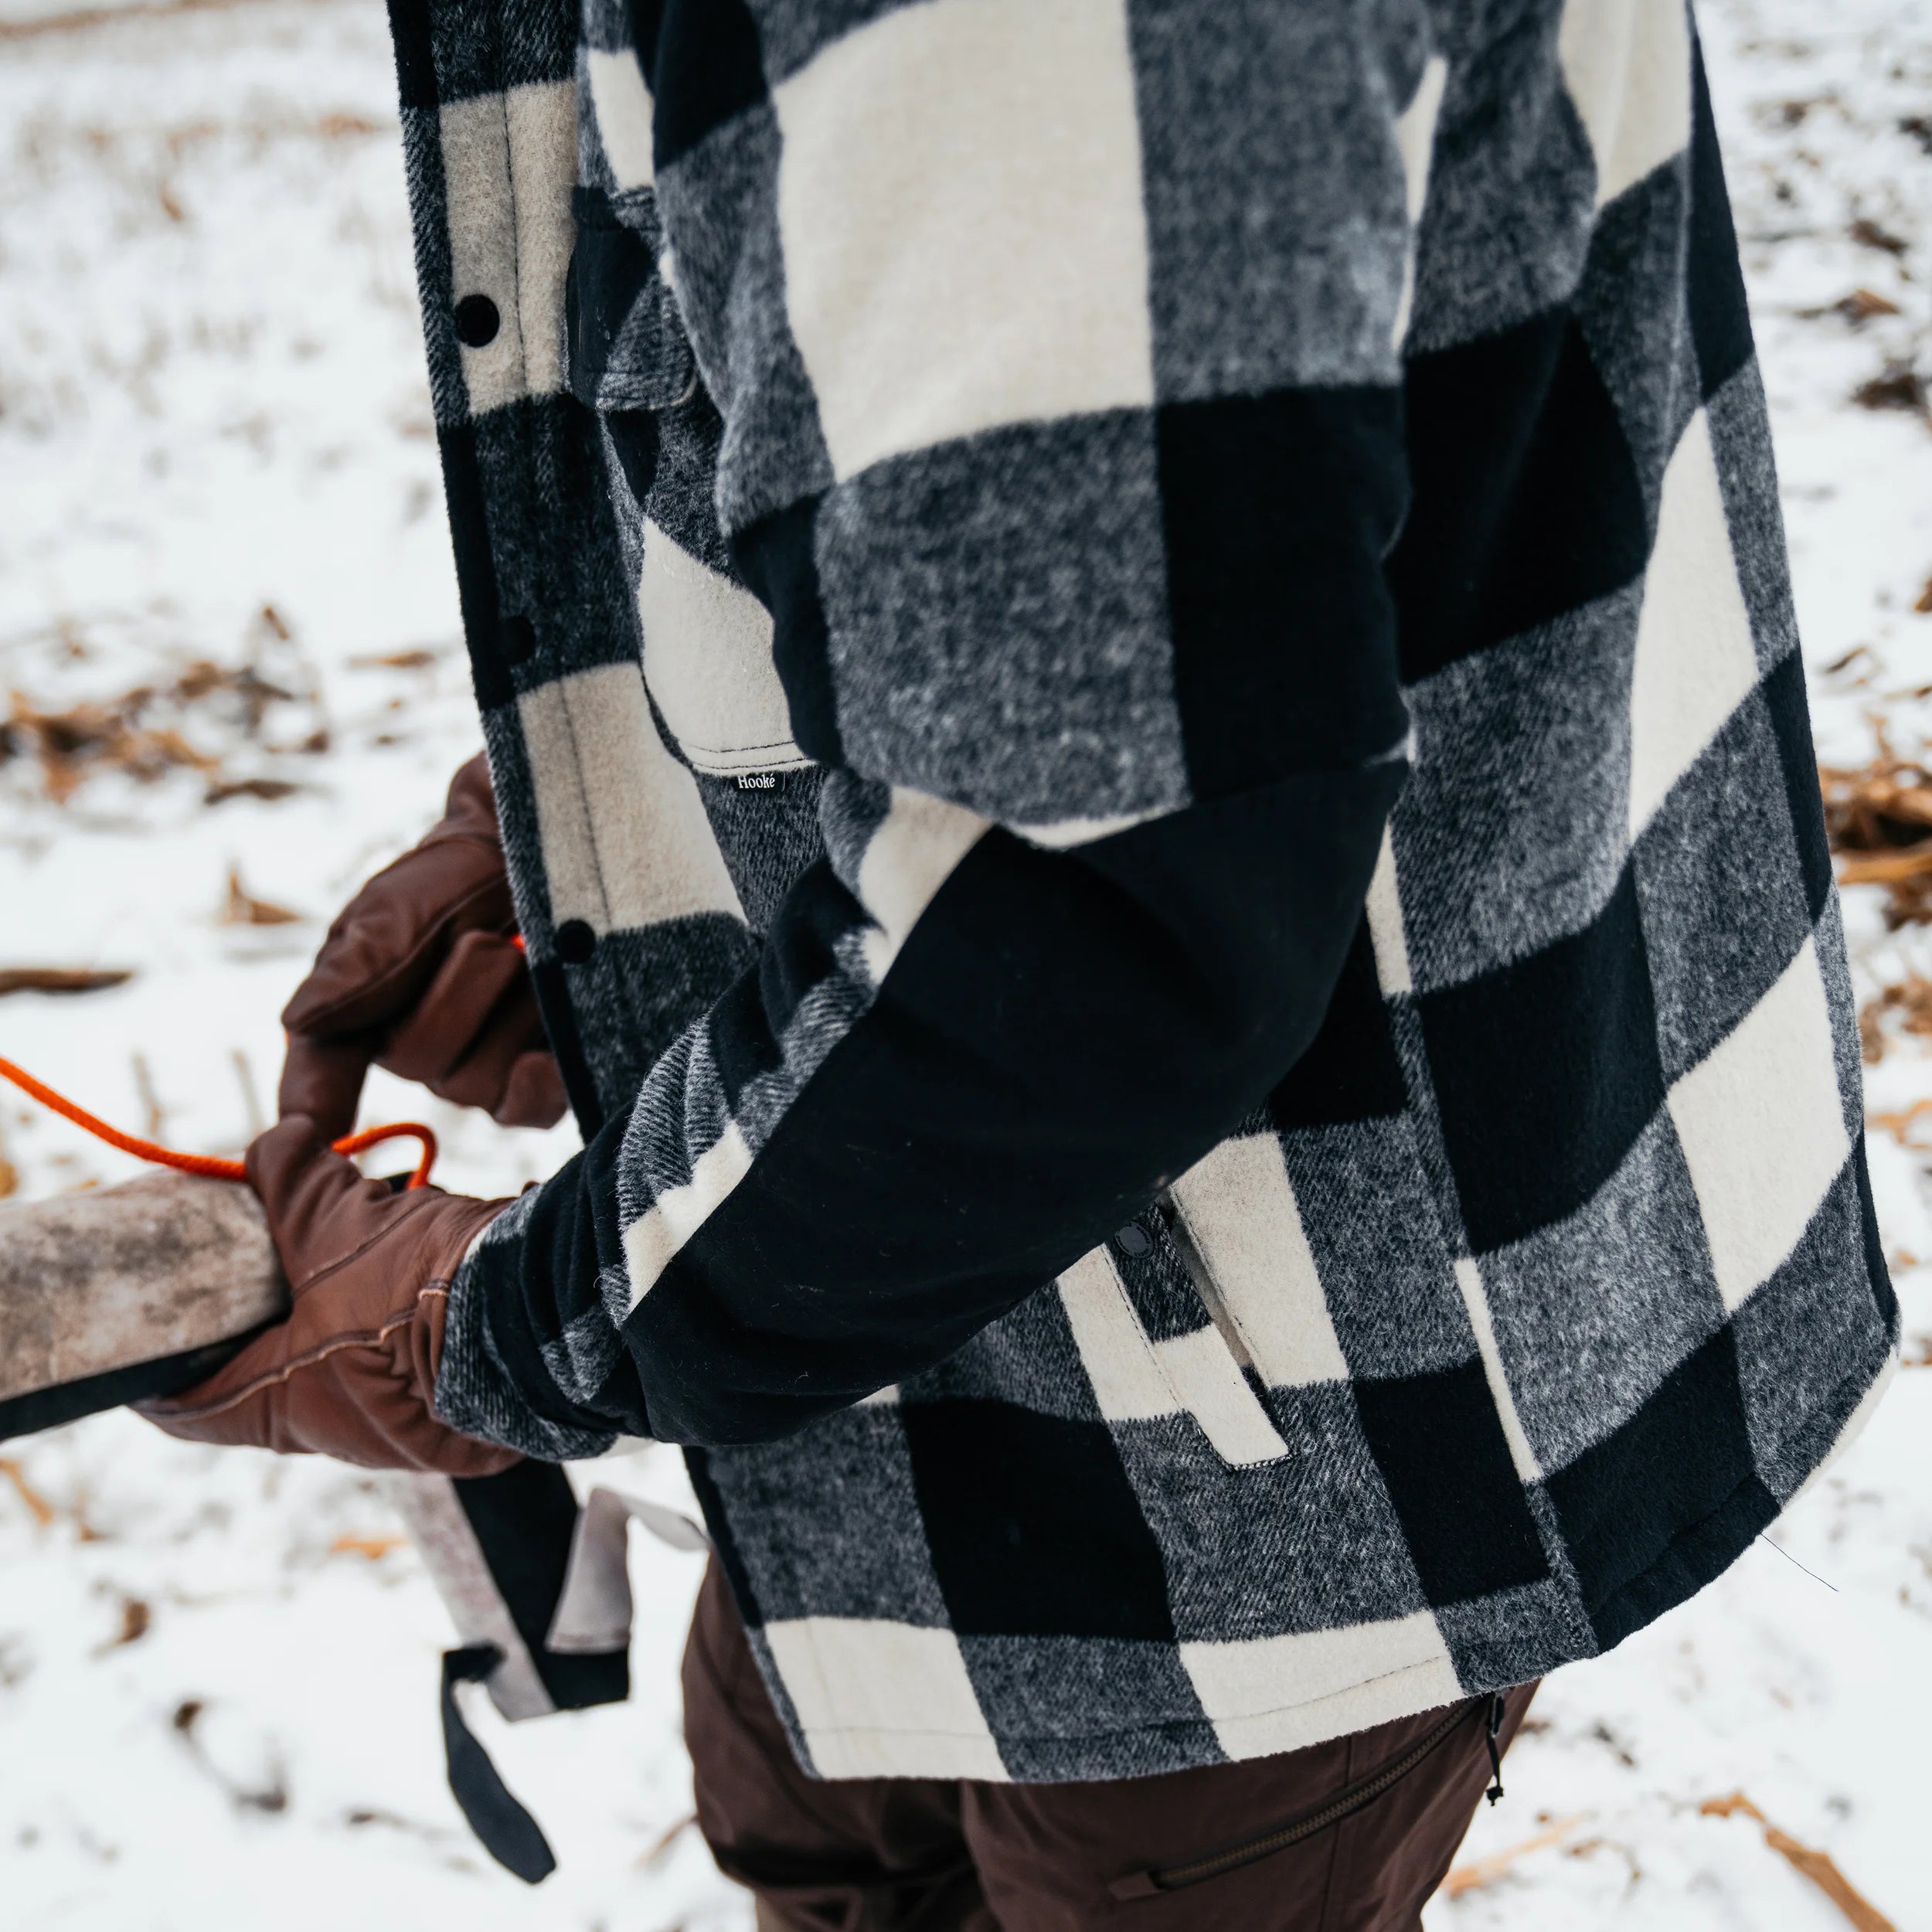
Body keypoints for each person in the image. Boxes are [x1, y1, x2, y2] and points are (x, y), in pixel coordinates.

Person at [140, 0, 1897, 1924]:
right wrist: (597, 842)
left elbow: (1089, 903)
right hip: (880, 1328)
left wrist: (494, 1326)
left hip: (1278, 1435)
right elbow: (949, 464)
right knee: (804, 1832)